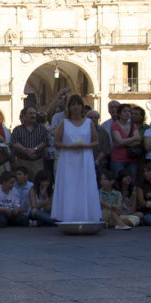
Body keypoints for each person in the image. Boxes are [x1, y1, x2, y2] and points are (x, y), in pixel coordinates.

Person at [52, 94, 101, 222]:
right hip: (68, 159)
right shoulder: (64, 123)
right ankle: (68, 216)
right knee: (70, 187)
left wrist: (86, 145)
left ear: (82, 106)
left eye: (78, 104)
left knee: (84, 186)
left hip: (85, 158)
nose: (76, 107)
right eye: (73, 104)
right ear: (69, 107)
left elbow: (96, 141)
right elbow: (55, 142)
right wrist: (69, 146)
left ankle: (87, 215)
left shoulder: (89, 123)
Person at [11, 106, 48, 181]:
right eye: (30, 113)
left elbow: (45, 142)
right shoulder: (17, 129)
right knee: (21, 184)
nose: (33, 115)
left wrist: (34, 149)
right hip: (22, 162)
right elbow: (14, 143)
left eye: (34, 113)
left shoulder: (42, 128)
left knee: (37, 183)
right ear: (24, 116)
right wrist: (26, 151)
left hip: (37, 162)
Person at [110, 103, 142, 181]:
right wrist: (134, 137)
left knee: (131, 182)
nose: (127, 113)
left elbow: (138, 141)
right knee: (118, 182)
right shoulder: (115, 126)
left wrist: (121, 142)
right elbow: (120, 141)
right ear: (119, 114)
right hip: (118, 160)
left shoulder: (133, 125)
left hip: (132, 159)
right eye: (125, 111)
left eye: (129, 111)